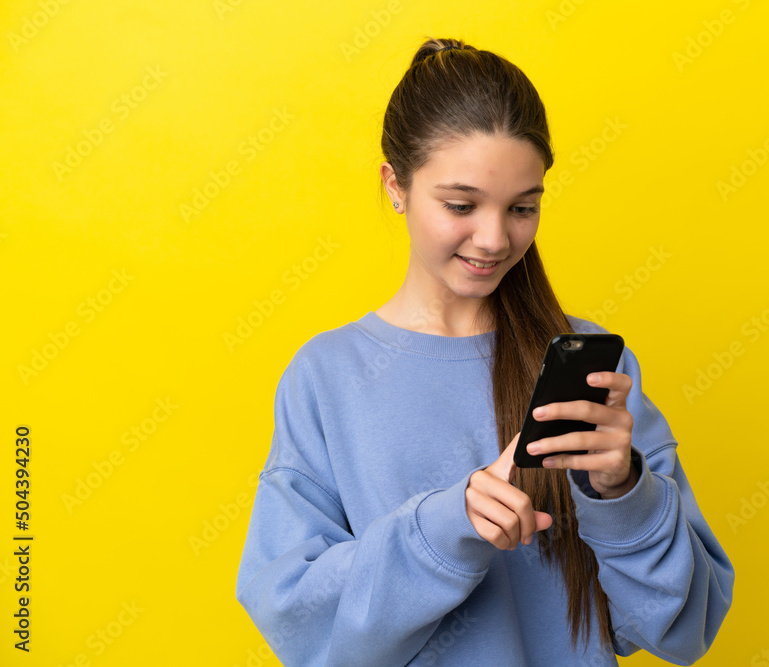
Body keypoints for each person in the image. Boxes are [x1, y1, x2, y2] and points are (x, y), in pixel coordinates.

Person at [235, 37, 735, 666]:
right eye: (461, 205)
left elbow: (683, 631)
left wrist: (624, 494)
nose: (496, 238)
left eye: (523, 208)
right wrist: (447, 527)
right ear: (396, 184)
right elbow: (302, 628)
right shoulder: (328, 377)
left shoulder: (587, 368)